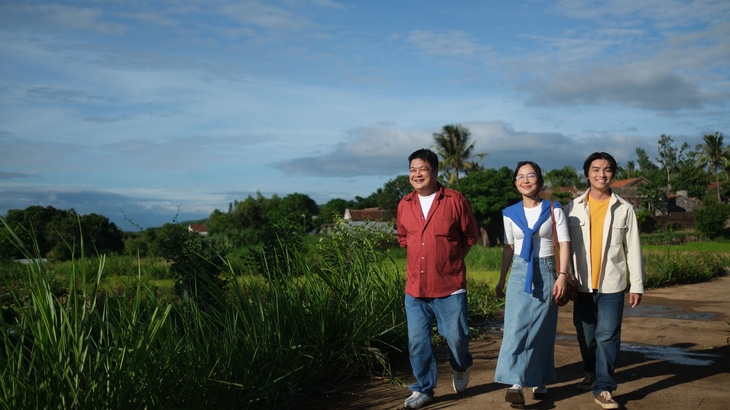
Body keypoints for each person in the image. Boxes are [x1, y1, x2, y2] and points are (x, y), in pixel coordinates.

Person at [396, 148, 479, 409]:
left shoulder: (456, 200)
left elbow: (469, 238)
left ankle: (461, 365)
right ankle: (423, 389)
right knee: (417, 342)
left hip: (450, 286)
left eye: (422, 169)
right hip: (415, 289)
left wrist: (450, 262)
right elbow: (403, 239)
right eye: (412, 170)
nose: (416, 174)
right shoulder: (404, 204)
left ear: (435, 171)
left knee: (457, 338)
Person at [565, 152, 645, 410]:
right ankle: (590, 371)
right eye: (596, 169)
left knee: (607, 336)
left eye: (607, 169)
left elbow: (633, 248)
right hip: (582, 284)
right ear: (587, 173)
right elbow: (564, 246)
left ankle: (604, 388)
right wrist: (565, 277)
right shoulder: (572, 207)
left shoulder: (624, 208)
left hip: (612, 284)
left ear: (613, 174)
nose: (602, 174)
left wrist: (637, 285)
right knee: (586, 335)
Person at [494, 161, 572, 407]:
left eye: (530, 175)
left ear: (539, 180)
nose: (525, 180)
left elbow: (565, 243)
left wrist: (562, 275)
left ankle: (540, 378)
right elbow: (509, 247)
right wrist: (502, 278)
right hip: (519, 270)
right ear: (515, 182)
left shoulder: (553, 208)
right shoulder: (509, 213)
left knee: (542, 327)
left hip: (548, 269)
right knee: (515, 327)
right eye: (520, 176)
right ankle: (516, 382)